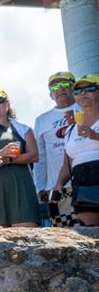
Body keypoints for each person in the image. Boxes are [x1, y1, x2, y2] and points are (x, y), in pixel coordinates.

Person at [0, 88, 39, 227]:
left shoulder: (23, 129)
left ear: (7, 104)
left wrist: (10, 160)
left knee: (28, 237)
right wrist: (0, 153)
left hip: (22, 189)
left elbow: (34, 155)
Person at [34, 72, 81, 226]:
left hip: (89, 182)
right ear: (50, 94)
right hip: (57, 189)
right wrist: (40, 186)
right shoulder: (42, 120)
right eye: (55, 86)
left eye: (65, 84)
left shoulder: (88, 108)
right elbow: (40, 157)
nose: (60, 89)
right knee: (65, 235)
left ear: (74, 87)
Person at [53, 74, 99, 226]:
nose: (82, 93)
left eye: (89, 88)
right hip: (83, 186)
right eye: (77, 91)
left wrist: (95, 136)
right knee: (89, 235)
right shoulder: (71, 129)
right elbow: (67, 164)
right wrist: (59, 184)